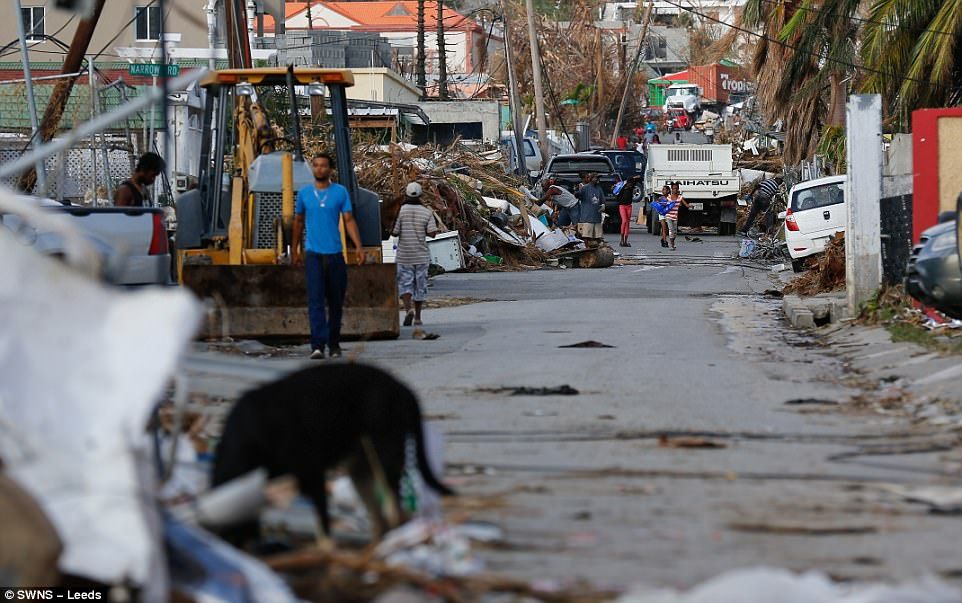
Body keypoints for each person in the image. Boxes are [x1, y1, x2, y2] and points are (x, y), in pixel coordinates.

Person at [292, 152, 366, 360]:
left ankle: (334, 343)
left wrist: (358, 247)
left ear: (330, 169)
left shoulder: (340, 192)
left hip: (334, 255)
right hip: (313, 255)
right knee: (315, 301)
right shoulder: (305, 194)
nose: (319, 169)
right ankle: (317, 345)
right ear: (312, 169)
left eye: (323, 166)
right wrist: (295, 249)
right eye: (316, 165)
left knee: (335, 301)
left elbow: (349, 220)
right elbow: (298, 222)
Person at [392, 181, 438, 327]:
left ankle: (408, 311)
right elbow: (433, 233)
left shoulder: (400, 211)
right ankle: (417, 317)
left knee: (405, 285)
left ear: (406, 194)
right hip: (421, 255)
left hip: (404, 255)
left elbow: (395, 232)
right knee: (420, 286)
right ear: (421, 195)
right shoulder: (426, 212)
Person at [577, 172, 605, 244]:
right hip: (587, 217)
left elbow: (602, 199)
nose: (598, 179)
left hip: (597, 217)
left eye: (598, 178)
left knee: (598, 237)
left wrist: (603, 205)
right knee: (586, 236)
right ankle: (587, 249)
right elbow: (579, 195)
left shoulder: (599, 188)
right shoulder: (585, 188)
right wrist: (577, 193)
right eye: (596, 178)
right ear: (591, 179)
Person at [614, 175, 641, 247]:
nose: (630, 185)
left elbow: (638, 179)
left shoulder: (631, 187)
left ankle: (625, 241)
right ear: (627, 183)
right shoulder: (622, 187)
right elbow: (616, 193)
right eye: (629, 184)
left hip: (629, 206)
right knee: (624, 221)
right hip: (622, 206)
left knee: (627, 223)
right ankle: (622, 240)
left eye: (631, 184)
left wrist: (634, 178)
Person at [665, 181, 690, 250]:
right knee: (671, 230)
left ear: (678, 189)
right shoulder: (668, 197)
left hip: (675, 217)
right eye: (673, 188)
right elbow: (664, 205)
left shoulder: (680, 197)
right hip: (669, 216)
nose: (675, 190)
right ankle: (671, 244)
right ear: (671, 189)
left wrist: (690, 206)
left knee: (675, 232)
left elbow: (686, 205)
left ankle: (672, 241)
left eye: (676, 188)